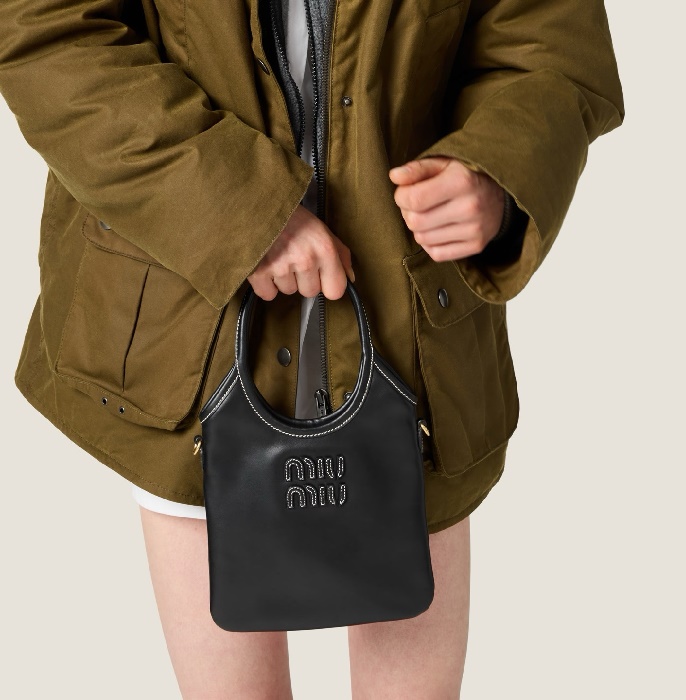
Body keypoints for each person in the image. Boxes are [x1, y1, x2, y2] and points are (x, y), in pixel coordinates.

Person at [0, 0, 624, 696]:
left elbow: (548, 42)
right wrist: (238, 210)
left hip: (414, 342)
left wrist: (498, 171)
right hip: (186, 335)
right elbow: (47, 32)